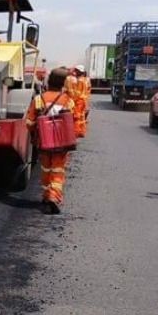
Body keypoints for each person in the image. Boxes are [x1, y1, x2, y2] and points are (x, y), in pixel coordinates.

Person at [26, 67, 75, 214]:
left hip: (44, 143)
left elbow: (29, 122)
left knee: (46, 169)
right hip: (62, 143)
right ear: (63, 83)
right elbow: (72, 121)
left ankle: (47, 196)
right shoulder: (68, 101)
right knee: (57, 170)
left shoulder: (39, 99)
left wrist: (35, 133)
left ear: (49, 81)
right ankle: (53, 197)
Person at [75, 64, 90, 137]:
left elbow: (77, 92)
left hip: (79, 100)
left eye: (76, 70)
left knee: (78, 116)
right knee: (82, 116)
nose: (75, 72)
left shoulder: (80, 80)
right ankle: (82, 131)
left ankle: (77, 132)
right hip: (84, 100)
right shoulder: (85, 80)